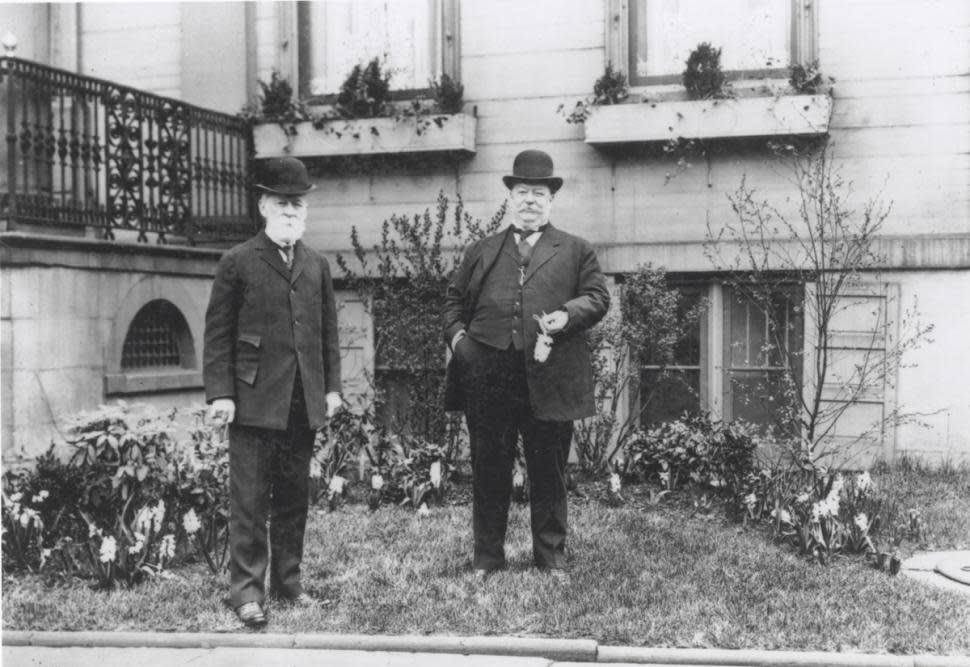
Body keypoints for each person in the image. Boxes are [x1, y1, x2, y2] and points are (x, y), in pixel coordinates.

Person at [443, 149, 610, 581]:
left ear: (551, 200)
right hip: (490, 379)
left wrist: (567, 315)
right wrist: (461, 343)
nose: (530, 200)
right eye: (522, 192)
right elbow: (453, 303)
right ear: (510, 198)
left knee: (549, 470)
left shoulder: (576, 250)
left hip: (550, 376)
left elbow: (598, 298)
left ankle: (550, 558)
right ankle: (486, 559)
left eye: (539, 193)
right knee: (488, 468)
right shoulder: (481, 251)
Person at [203, 157, 342, 627]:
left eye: (297, 203)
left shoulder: (316, 264)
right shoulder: (238, 261)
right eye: (282, 202)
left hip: (302, 400)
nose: (290, 210)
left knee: (292, 498)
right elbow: (218, 334)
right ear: (264, 205)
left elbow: (326, 334)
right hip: (252, 400)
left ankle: (288, 582)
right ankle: (245, 591)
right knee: (248, 500)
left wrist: (332, 389)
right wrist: (221, 393)